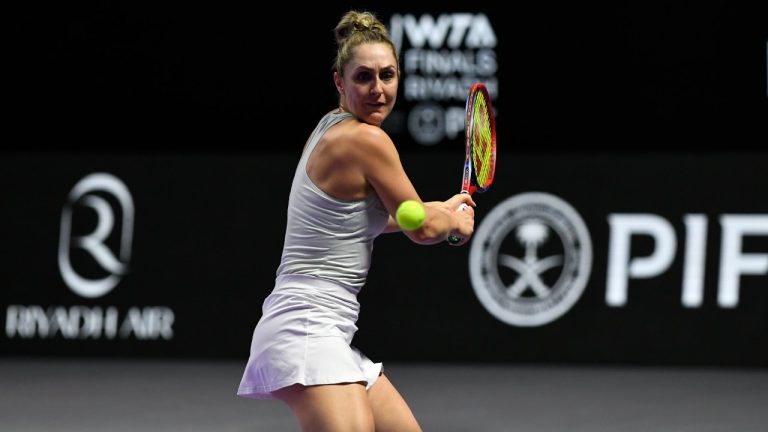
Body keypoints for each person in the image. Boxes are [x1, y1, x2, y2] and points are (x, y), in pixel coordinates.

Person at [237, 9, 475, 432]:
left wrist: (440, 208)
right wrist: (453, 224)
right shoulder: (367, 139)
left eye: (387, 75)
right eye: (364, 77)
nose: (378, 89)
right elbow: (421, 228)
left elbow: (360, 222)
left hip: (325, 328)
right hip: (306, 324)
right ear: (339, 82)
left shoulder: (330, 126)